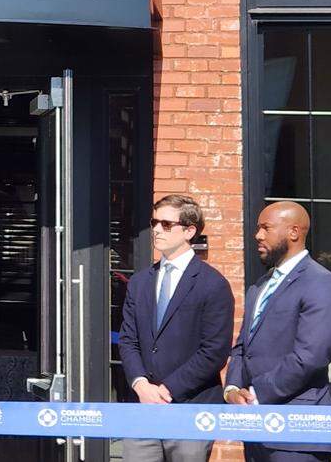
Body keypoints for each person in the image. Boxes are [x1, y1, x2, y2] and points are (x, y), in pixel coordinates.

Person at [225, 201, 331, 462]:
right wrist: (233, 388)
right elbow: (242, 346)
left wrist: (258, 393)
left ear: (293, 232)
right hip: (256, 426)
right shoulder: (261, 285)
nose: (257, 235)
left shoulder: (320, 283)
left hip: (298, 432)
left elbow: (312, 355)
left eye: (265, 228)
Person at [117, 195, 233, 462]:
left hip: (190, 410)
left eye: (166, 224)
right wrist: (141, 384)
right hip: (143, 407)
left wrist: (167, 389)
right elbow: (128, 340)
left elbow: (214, 351)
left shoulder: (212, 284)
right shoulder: (140, 281)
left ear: (189, 231)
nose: (157, 229)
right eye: (154, 222)